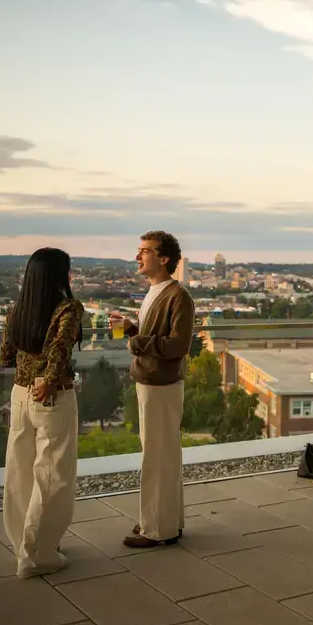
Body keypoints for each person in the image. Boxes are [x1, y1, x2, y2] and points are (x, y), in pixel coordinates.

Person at [0, 248, 83, 579]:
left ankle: (23, 542)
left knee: (20, 471)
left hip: (20, 394)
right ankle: (37, 554)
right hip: (51, 396)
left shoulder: (19, 307)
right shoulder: (68, 308)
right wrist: (48, 380)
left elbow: (6, 353)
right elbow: (61, 349)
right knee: (52, 475)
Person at [111, 231, 195, 548]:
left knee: (157, 457)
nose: (138, 256)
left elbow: (178, 345)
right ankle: (168, 521)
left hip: (161, 384)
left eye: (144, 251)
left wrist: (136, 340)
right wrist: (132, 329)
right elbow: (152, 337)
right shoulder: (154, 292)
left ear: (163, 259)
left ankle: (157, 529)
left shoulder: (178, 296)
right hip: (150, 381)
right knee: (163, 454)